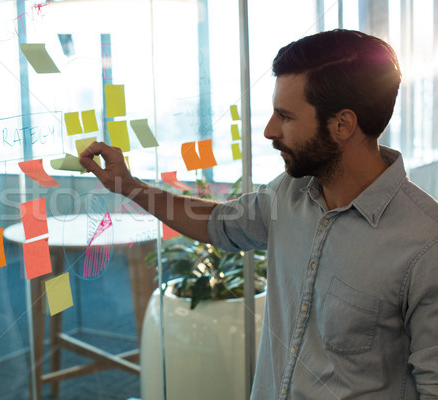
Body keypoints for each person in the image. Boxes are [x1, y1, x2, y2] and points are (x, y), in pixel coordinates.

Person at [79, 29, 438, 399]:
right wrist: (129, 185)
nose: (269, 130)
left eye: (285, 116)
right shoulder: (289, 193)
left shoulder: (426, 243)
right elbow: (218, 224)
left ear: (342, 125)